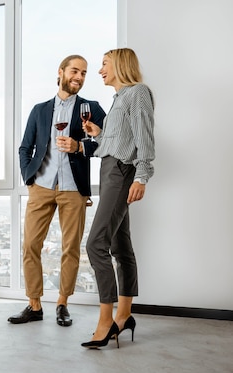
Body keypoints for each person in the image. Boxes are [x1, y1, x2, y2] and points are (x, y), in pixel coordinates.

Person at [8, 55, 106, 327]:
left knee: (70, 248)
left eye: (84, 73)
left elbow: (110, 142)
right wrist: (29, 177)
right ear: (61, 72)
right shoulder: (40, 110)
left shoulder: (91, 108)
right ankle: (34, 304)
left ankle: (63, 303)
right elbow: (25, 147)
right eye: (75, 70)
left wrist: (80, 146)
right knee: (30, 246)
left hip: (74, 189)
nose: (79, 76)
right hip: (41, 186)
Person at [80, 48, 155, 348]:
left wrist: (142, 176)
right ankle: (124, 317)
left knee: (95, 242)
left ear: (121, 65)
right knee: (119, 244)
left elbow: (144, 137)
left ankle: (105, 319)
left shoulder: (137, 93)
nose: (100, 71)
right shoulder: (119, 99)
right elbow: (117, 141)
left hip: (121, 172)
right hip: (110, 168)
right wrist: (99, 133)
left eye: (104, 65)